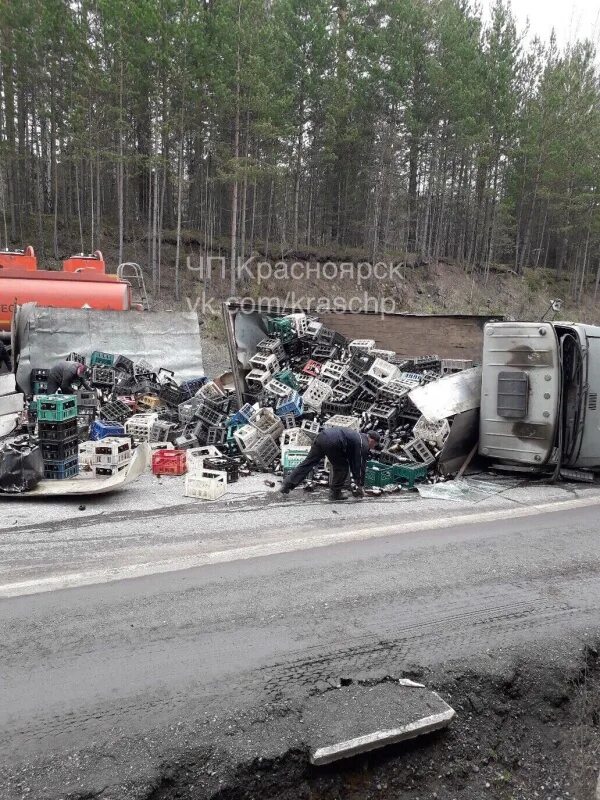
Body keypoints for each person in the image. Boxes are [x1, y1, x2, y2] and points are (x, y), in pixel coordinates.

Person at [280, 428, 380, 501]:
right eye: (374, 445)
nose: (372, 447)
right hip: (334, 442)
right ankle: (335, 493)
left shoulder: (358, 436)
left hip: (322, 436)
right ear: (372, 440)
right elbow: (359, 465)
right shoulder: (364, 443)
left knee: (308, 462)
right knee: (342, 467)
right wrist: (360, 484)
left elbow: (353, 459)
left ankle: (287, 484)